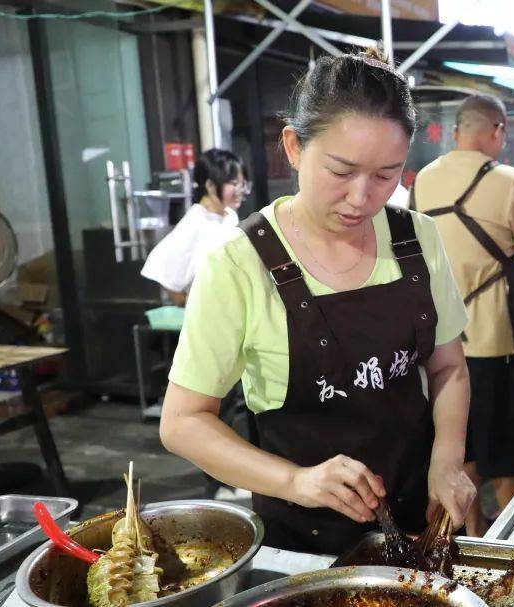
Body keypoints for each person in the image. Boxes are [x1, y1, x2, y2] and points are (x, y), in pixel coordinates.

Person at [158, 49, 476, 554]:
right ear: (293, 146)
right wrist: (297, 481)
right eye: (341, 170)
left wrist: (448, 459)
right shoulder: (239, 264)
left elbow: (448, 368)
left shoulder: (418, 239)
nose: (361, 198)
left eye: (385, 175)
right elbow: (182, 422)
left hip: (416, 518)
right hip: (301, 542)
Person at [410, 94, 514, 535]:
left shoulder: (421, 182)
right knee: (508, 459)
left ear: (455, 132)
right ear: (497, 131)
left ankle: (472, 540)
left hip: (439, 345)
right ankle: (513, 551)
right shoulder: (510, 181)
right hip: (496, 343)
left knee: (462, 452)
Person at [141, 149, 249, 306]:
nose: (241, 190)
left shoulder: (230, 216)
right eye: (234, 184)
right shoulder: (196, 222)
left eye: (242, 183)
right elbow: (164, 269)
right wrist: (192, 308)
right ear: (211, 186)